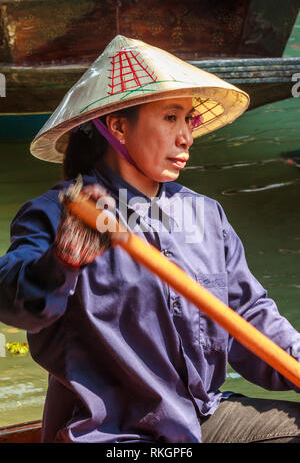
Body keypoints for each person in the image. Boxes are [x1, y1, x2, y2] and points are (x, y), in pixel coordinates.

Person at [0, 35, 300, 444]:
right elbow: (14, 302)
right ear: (119, 127)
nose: (186, 138)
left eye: (188, 120)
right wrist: (61, 262)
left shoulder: (205, 214)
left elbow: (249, 312)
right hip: (109, 433)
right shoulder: (60, 213)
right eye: (170, 118)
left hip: (199, 415)